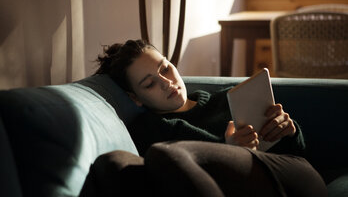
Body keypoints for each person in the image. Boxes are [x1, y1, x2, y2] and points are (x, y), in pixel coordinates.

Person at [79, 39, 327, 197]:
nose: (167, 83)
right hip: (243, 187)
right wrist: (228, 151)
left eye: (165, 68)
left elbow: (302, 157)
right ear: (136, 98)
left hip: (291, 177)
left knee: (164, 154)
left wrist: (289, 130)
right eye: (149, 84)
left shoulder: (227, 99)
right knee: (111, 162)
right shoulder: (149, 129)